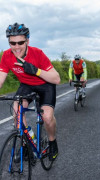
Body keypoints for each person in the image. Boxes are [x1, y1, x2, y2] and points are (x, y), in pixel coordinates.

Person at [0, 22, 60, 161]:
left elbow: (56, 78)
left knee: (47, 117)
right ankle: (29, 141)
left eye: (20, 42)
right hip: (27, 85)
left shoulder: (37, 54)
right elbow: (1, 78)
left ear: (27, 40)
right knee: (17, 112)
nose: (16, 47)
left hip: (45, 85)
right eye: (12, 43)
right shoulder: (7, 56)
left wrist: (35, 70)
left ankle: (52, 142)